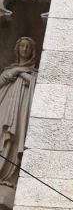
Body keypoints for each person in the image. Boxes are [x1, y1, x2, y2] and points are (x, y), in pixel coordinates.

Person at [0, 38, 38, 192]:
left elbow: (36, 86)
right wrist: (15, 71)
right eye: (22, 46)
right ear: (17, 49)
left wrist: (24, 75)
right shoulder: (9, 69)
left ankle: (8, 175)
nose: (24, 49)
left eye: (28, 47)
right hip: (5, 107)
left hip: (21, 111)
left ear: (32, 51)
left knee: (14, 141)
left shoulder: (34, 72)